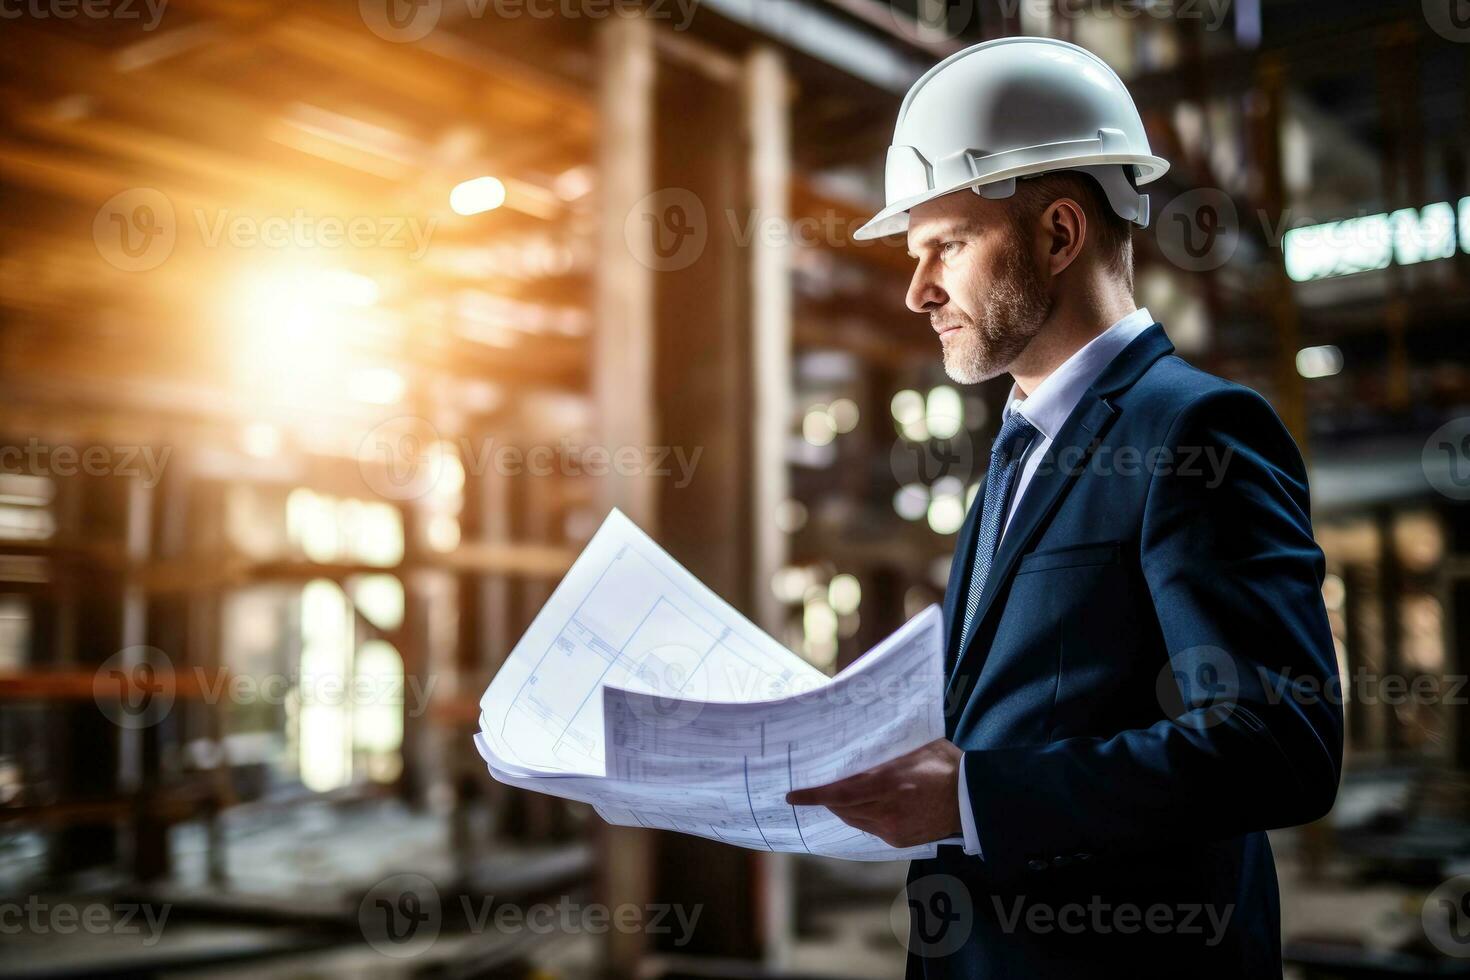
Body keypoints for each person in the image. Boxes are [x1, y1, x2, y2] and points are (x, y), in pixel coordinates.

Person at [785, 37, 1342, 978]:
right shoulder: (1019, 448)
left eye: (946, 246)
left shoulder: (1198, 432)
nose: (919, 291)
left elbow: (1278, 743)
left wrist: (975, 797)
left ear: (1057, 234)